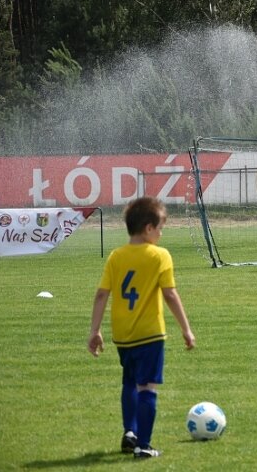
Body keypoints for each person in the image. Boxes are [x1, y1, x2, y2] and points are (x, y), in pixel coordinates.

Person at [87, 196, 195, 459]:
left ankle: (129, 433)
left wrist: (95, 330)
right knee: (147, 387)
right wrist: (186, 329)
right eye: (160, 228)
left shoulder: (116, 256)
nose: (161, 233)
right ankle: (143, 446)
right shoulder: (159, 255)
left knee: (129, 382)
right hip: (150, 334)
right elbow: (170, 294)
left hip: (122, 335)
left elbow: (102, 295)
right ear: (148, 228)